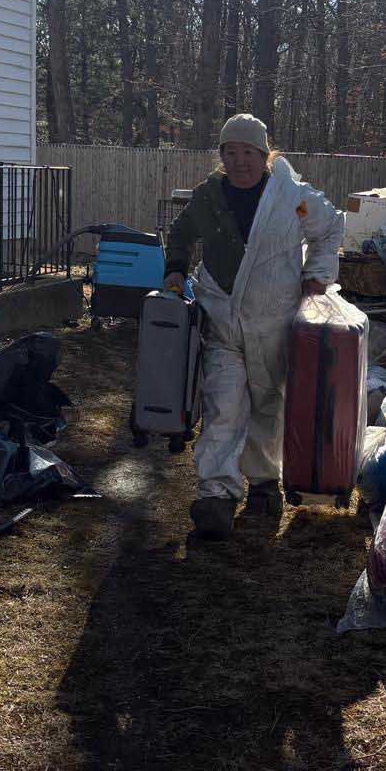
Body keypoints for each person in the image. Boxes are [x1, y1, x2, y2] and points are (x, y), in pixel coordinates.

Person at [164, 113, 343, 541]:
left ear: (265, 155)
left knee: (268, 406)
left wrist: (317, 274)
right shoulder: (209, 196)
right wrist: (175, 270)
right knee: (223, 404)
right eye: (231, 152)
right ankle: (217, 495)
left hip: (274, 320)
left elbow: (331, 227)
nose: (240, 161)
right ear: (221, 156)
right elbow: (181, 232)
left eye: (249, 153)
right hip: (222, 322)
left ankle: (264, 485)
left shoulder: (293, 197)